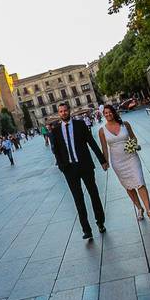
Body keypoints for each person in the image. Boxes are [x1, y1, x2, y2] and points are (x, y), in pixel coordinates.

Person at [49, 101, 107, 240]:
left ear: (69, 111)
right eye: (61, 111)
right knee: (78, 199)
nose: (63, 113)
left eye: (65, 110)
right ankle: (86, 230)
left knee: (94, 194)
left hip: (85, 166)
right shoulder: (55, 131)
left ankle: (100, 222)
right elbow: (55, 151)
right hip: (69, 169)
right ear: (59, 114)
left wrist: (102, 160)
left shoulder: (80, 125)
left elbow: (91, 143)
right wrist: (62, 167)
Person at [98, 104, 150, 223]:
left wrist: (133, 145)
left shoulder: (125, 124)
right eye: (105, 113)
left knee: (140, 182)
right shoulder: (102, 131)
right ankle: (139, 208)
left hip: (131, 157)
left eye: (110, 112)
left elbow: (134, 138)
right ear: (103, 115)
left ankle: (149, 211)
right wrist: (105, 162)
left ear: (113, 112)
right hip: (117, 162)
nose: (108, 114)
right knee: (128, 186)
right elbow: (104, 148)